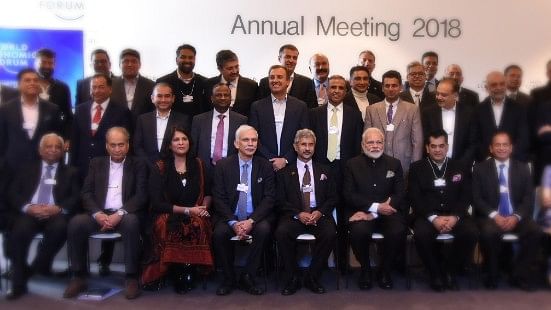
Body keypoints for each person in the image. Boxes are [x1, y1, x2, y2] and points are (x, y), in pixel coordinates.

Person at [64, 127, 147, 300]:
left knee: (132, 222)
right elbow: (86, 193)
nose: (118, 149)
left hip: (124, 214)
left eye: (121, 144)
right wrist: (97, 214)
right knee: (76, 223)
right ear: (107, 146)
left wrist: (120, 213)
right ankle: (79, 276)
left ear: (128, 145)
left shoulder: (137, 164)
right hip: (99, 213)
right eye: (113, 145)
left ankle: (131, 277)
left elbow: (141, 195)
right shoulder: (96, 163)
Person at [5, 133, 80, 300]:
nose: (53, 150)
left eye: (57, 147)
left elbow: (75, 197)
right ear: (40, 150)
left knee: (61, 226)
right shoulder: (26, 168)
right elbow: (13, 193)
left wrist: (59, 208)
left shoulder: (71, 172)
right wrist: (28, 207)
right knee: (19, 230)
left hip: (55, 214)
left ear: (62, 151)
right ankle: (18, 283)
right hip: (30, 213)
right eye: (48, 146)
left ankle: (37, 265)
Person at [142, 127, 214, 293]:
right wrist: (188, 210)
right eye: (176, 140)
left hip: (197, 212)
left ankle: (190, 268)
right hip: (168, 212)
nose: (181, 143)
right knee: (166, 225)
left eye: (184, 139)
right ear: (169, 144)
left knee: (197, 224)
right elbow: (157, 203)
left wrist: (204, 207)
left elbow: (209, 193)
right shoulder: (159, 167)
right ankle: (175, 270)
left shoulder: (199, 164)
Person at [408, 129, 478, 292]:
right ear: (427, 148)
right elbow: (415, 197)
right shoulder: (416, 168)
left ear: (447, 147)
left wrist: (455, 217)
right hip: (427, 215)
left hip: (455, 214)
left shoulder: (460, 167)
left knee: (471, 232)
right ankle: (435, 274)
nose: (437, 150)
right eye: (433, 146)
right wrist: (433, 218)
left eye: (441, 146)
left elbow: (466, 195)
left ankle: (450, 271)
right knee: (421, 234)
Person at [472, 131, 542, 291]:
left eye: (505, 145)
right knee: (488, 233)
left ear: (511, 148)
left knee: (535, 231)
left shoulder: (523, 168)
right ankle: (492, 275)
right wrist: (495, 216)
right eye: (497, 144)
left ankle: (518, 275)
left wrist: (516, 217)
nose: (501, 148)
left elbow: (528, 198)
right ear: (491, 148)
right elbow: (477, 198)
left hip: (516, 216)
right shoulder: (480, 169)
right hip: (491, 217)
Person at [211, 125, 275, 296]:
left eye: (254, 140)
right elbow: (218, 198)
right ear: (236, 143)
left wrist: (251, 221)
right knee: (219, 234)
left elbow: (269, 198)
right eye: (246, 140)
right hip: (229, 216)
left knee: (264, 230)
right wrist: (233, 222)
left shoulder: (265, 166)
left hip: (255, 217)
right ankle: (229, 278)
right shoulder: (223, 166)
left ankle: (248, 275)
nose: (250, 144)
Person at [309, 75, 363, 272]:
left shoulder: (354, 114)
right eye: (333, 87)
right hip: (321, 170)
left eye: (341, 87)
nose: (336, 91)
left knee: (343, 215)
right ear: (326, 89)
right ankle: (320, 262)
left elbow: (358, 147)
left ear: (345, 91)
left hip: (345, 170)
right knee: (322, 215)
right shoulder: (314, 113)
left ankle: (342, 261)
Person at [275, 129, 337, 295]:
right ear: (296, 147)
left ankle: (312, 276)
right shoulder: (284, 172)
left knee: (330, 233)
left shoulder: (325, 170)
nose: (307, 148)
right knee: (281, 233)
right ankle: (293, 277)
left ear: (315, 147)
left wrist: (319, 213)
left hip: (318, 215)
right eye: (303, 144)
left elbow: (332, 198)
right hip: (294, 216)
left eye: (310, 144)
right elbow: (280, 200)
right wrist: (298, 214)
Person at [344, 127, 407, 290]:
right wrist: (376, 208)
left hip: (390, 213)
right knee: (358, 232)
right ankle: (365, 270)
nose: (375, 145)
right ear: (363, 145)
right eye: (370, 142)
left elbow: (400, 193)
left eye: (379, 142)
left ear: (384, 144)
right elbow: (349, 194)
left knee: (398, 231)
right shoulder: (352, 165)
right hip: (363, 213)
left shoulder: (394, 163)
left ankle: (384, 270)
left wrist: (380, 210)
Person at [0, 68, 63, 169]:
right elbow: (2, 140)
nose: (32, 83)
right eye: (27, 80)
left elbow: (57, 138)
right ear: (19, 85)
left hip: (42, 167)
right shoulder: (5, 109)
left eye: (35, 80)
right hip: (12, 168)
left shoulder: (52, 109)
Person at [249, 65, 309, 171]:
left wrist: (286, 159)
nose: (275, 80)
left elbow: (304, 137)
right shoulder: (257, 107)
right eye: (272, 77)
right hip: (264, 165)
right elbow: (253, 137)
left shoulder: (300, 106)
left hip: (292, 165)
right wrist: (270, 158)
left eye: (279, 77)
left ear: (288, 81)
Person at [364, 70, 423, 175]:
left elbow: (417, 141)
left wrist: (416, 166)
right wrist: (367, 164)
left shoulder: (412, 109)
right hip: (377, 163)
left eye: (394, 85)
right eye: (387, 86)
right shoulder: (371, 109)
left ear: (401, 87)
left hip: (404, 164)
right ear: (382, 88)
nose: (390, 89)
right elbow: (366, 140)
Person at [192, 83, 247, 176]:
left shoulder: (241, 120)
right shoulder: (199, 120)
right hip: (204, 169)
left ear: (231, 98)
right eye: (218, 95)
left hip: (231, 169)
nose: (223, 98)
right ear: (212, 98)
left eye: (226, 95)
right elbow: (193, 148)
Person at [421, 78, 477, 167]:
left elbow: (473, 143)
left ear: (455, 95)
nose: (439, 97)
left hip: (462, 167)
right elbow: (425, 141)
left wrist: (462, 164)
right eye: (437, 93)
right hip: (434, 167)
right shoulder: (428, 113)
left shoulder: (469, 113)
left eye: (443, 95)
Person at [475, 71, 529, 162]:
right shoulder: (478, 110)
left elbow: (523, 137)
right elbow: (475, 139)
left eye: (502, 84)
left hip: (514, 163)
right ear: (486, 88)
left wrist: (509, 158)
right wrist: (487, 158)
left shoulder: (519, 109)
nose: (498, 87)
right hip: (486, 164)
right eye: (494, 85)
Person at [133, 82, 190, 165]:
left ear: (173, 98)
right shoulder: (142, 119)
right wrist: (151, 164)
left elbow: (187, 146)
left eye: (167, 96)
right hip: (147, 169)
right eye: (159, 96)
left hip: (174, 168)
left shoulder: (183, 120)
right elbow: (137, 147)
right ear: (152, 98)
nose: (163, 100)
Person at [156, 44, 209, 117]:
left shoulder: (204, 82)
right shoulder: (163, 82)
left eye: (190, 58)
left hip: (199, 127)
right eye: (183, 57)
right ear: (176, 60)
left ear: (194, 60)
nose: (187, 60)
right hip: (173, 127)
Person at [204, 50, 258, 116]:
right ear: (219, 69)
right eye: (230, 68)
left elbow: (254, 113)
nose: (235, 71)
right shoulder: (208, 84)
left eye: (237, 67)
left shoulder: (251, 86)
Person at [111, 48, 156, 125]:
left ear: (140, 64)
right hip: (116, 130)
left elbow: (153, 111)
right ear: (119, 65)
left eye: (134, 61)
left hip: (142, 130)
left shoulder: (151, 85)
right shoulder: (111, 84)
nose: (130, 64)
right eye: (126, 61)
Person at [34, 48, 73, 136]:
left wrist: (67, 137)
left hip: (55, 138)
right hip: (31, 138)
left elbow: (68, 116)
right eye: (43, 62)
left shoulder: (63, 88)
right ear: (35, 63)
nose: (47, 66)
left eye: (50, 63)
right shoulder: (28, 86)